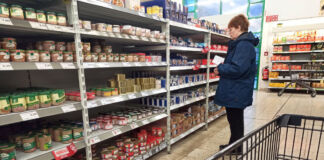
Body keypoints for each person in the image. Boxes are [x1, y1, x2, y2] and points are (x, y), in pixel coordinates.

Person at [214, 14, 259, 154]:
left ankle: (236, 149)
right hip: (236, 89)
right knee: (234, 120)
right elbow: (237, 65)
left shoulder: (244, 45)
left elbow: (238, 68)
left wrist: (220, 69)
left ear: (239, 27)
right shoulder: (241, 44)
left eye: (231, 29)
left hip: (236, 90)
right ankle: (233, 146)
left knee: (235, 121)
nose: (229, 33)